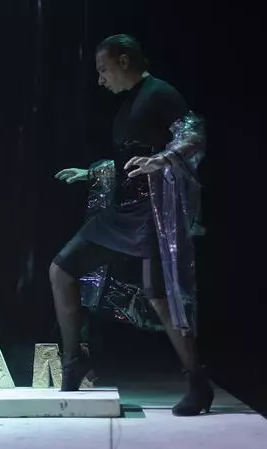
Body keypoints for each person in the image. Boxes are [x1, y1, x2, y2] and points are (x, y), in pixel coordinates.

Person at [50, 34, 212, 416]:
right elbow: (130, 160)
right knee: (61, 270)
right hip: (122, 212)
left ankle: (198, 383)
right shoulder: (129, 103)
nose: (100, 79)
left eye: (103, 69)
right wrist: (91, 174)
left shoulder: (160, 93)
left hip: (154, 213)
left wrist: (163, 159)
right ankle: (74, 362)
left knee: (161, 297)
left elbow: (193, 136)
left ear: (123, 61)